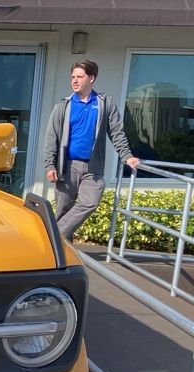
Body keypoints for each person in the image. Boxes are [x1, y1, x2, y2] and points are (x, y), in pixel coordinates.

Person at [43, 59, 140, 240]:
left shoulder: (105, 104)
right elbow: (51, 138)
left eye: (80, 76)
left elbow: (117, 132)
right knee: (63, 211)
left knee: (90, 202)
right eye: (73, 77)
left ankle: (51, 236)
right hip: (67, 167)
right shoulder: (63, 106)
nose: (75, 81)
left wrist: (127, 156)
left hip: (92, 168)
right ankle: (61, 252)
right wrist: (50, 165)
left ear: (92, 78)